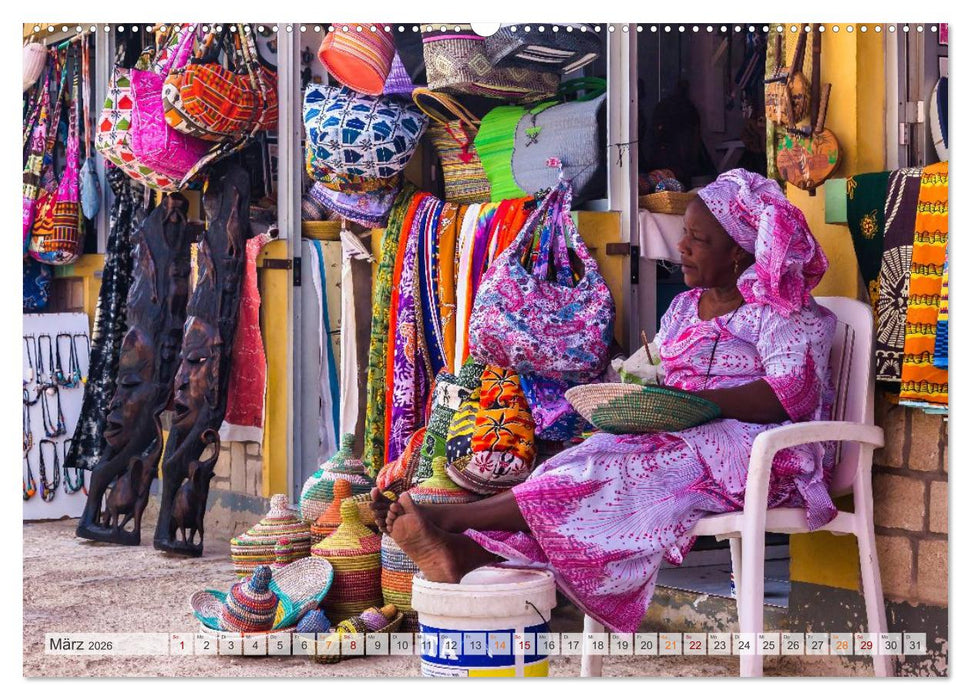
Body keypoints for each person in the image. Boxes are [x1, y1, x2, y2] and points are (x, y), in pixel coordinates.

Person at [370, 169, 836, 634]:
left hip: (761, 456)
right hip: (684, 436)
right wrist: (640, 390)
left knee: (613, 474)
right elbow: (665, 374)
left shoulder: (784, 313)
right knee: (580, 460)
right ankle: (470, 550)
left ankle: (452, 519)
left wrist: (698, 402)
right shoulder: (683, 307)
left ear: (738, 250)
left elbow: (788, 395)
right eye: (684, 235)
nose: (682, 248)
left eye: (698, 239)